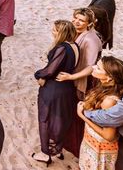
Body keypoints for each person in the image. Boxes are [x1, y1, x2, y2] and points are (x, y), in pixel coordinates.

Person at [31, 20, 79, 164]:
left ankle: (45, 153)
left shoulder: (62, 48)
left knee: (44, 119)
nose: (52, 31)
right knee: (60, 118)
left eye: (54, 30)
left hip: (53, 88)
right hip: (67, 87)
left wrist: (38, 75)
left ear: (60, 33)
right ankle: (57, 149)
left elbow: (50, 70)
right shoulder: (75, 46)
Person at [60, 7, 104, 157]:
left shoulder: (91, 39)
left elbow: (91, 67)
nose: (76, 22)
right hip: (76, 75)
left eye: (81, 20)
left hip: (84, 81)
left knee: (77, 112)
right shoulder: (79, 33)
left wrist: (72, 77)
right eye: (75, 18)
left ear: (89, 23)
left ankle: (75, 145)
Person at [76, 57, 123, 169]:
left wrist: (82, 116)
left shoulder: (109, 101)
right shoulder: (103, 87)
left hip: (100, 150)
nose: (94, 67)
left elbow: (109, 136)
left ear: (109, 77)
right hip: (91, 142)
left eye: (98, 68)